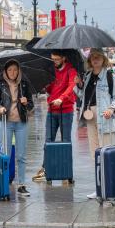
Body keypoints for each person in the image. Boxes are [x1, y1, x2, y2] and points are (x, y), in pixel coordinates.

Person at [74, 48, 115, 199]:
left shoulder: (109, 75)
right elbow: (82, 96)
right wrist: (78, 85)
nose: (95, 60)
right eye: (93, 58)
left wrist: (111, 109)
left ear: (103, 59)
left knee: (106, 154)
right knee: (95, 155)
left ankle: (109, 188)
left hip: (105, 118)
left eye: (98, 57)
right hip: (90, 118)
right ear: (89, 60)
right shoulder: (87, 76)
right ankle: (99, 188)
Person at [0, 59, 34, 197]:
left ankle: (21, 185)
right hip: (6, 122)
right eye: (10, 70)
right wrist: (0, 107)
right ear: (5, 71)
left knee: (21, 156)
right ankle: (3, 183)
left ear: (19, 71)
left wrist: (26, 103)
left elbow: (32, 106)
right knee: (6, 155)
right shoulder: (0, 85)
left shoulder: (25, 85)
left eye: (15, 70)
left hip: (22, 123)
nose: (12, 72)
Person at [32, 50, 78, 182]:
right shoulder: (52, 70)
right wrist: (45, 85)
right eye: (53, 59)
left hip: (66, 110)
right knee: (48, 140)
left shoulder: (71, 70)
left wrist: (62, 99)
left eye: (57, 59)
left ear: (64, 58)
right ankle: (45, 169)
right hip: (52, 109)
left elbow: (71, 86)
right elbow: (52, 89)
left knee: (66, 141)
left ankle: (67, 172)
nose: (54, 62)